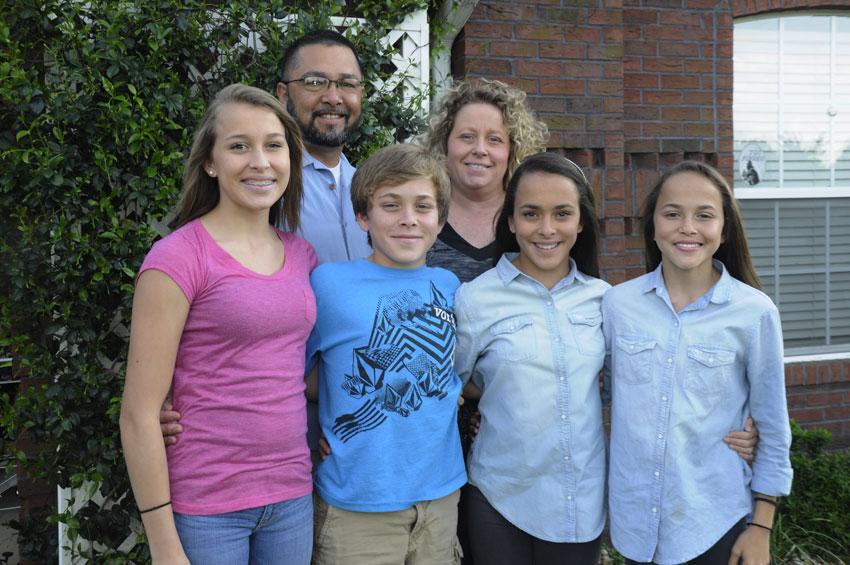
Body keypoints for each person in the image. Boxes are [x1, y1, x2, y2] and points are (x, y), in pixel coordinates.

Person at [120, 84, 316, 564]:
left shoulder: (302, 255)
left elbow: (298, 370)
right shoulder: (177, 259)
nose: (260, 161)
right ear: (210, 161)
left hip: (291, 495)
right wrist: (165, 545)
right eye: (238, 146)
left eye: (273, 145)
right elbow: (139, 415)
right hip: (207, 506)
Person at [603, 161, 793, 565]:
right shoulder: (617, 305)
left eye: (704, 215)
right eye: (672, 214)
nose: (687, 227)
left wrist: (761, 528)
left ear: (724, 230)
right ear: (652, 224)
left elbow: (773, 428)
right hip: (636, 526)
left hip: (714, 522)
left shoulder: (754, 313)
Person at [307, 143, 466, 564]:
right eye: (390, 205)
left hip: (440, 496)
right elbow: (296, 375)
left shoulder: (451, 287)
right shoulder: (328, 284)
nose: (408, 219)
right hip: (357, 501)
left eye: (423, 206)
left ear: (441, 220)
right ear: (363, 216)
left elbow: (456, 371)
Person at [454, 153, 608, 564]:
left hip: (580, 501)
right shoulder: (476, 299)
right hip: (499, 497)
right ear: (510, 221)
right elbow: (449, 383)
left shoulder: (604, 300)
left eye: (562, 214)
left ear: (580, 222)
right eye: (530, 213)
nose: (546, 229)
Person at [423, 79, 548, 283]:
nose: (480, 149)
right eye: (467, 136)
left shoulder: (534, 220)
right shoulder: (418, 216)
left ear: (512, 150)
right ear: (445, 144)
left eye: (494, 139)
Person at [276, 28, 372, 264]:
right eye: (315, 82)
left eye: (347, 84)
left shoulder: (372, 186)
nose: (333, 97)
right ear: (284, 95)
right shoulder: (268, 182)